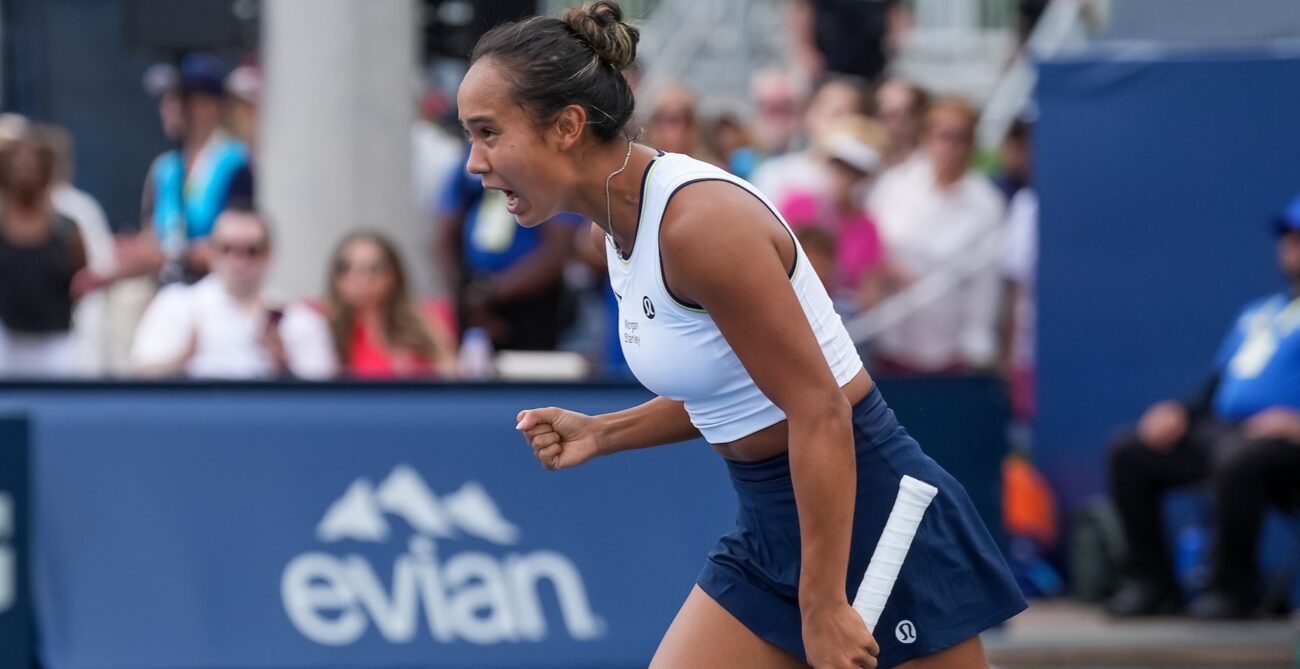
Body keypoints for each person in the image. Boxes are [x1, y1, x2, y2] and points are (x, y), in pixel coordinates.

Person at [459, 3, 1025, 667]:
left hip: (867, 517)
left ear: (568, 126)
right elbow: (737, 389)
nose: (474, 162)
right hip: (768, 530)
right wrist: (603, 431)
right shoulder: (610, 230)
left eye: (488, 132)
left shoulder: (698, 227)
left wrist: (821, 601)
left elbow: (819, 406)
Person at [1107, 195, 1300, 620]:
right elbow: (1218, 386)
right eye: (1288, 238)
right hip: (1230, 432)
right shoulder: (1260, 313)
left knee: (1238, 458)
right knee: (1132, 451)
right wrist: (1179, 411)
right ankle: (1154, 585)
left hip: (1284, 446)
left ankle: (1236, 589)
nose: (1292, 247)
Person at [866, 97, 1005, 375]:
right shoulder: (893, 186)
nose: (950, 147)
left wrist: (976, 350)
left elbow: (985, 287)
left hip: (951, 351)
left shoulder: (986, 204)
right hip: (891, 340)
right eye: (943, 136)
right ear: (926, 138)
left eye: (960, 138)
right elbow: (869, 251)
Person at [129, 206, 335, 379]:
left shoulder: (298, 319)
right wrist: (183, 359)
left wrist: (284, 366)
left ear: (269, 254)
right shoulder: (176, 304)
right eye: (227, 249)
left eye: (252, 250)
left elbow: (325, 397)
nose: (239, 261)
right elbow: (140, 376)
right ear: (211, 252)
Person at [0, 132, 86, 377]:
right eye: (18, 165)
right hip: (6, 345)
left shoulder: (68, 230)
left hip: (57, 346)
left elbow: (82, 281)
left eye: (33, 164)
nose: (25, 170)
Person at [326, 231, 458, 379]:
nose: (358, 278)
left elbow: (450, 374)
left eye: (373, 268)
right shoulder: (322, 326)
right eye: (345, 268)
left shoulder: (426, 322)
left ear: (393, 275)